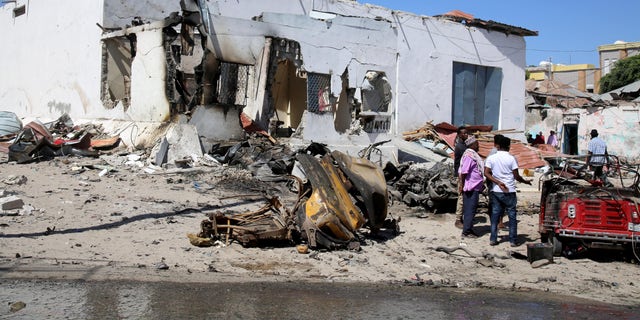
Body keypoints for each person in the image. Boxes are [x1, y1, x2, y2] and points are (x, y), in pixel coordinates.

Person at [484, 136, 532, 247]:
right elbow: (516, 176)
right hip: (509, 190)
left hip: (496, 190)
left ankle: (493, 238)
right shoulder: (512, 158)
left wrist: (497, 182)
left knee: (495, 215)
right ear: (509, 146)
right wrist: (525, 181)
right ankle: (512, 240)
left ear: (498, 146)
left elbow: (486, 173)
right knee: (512, 216)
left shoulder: (492, 158)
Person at [458, 136, 484, 238]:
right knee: (469, 210)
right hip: (470, 187)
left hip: (475, 187)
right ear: (472, 145)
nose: (478, 145)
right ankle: (466, 232)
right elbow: (464, 172)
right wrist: (462, 185)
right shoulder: (469, 156)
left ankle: (469, 228)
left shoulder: (473, 155)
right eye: (477, 144)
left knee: (471, 209)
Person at [487, 134, 507, 230]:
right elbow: (488, 169)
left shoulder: (500, 152)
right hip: (494, 180)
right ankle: (496, 222)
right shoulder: (494, 152)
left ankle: (499, 222)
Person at [453, 126, 469, 229]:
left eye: (466, 133)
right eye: (463, 133)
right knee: (461, 197)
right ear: (459, 135)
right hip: (461, 175)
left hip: (463, 173)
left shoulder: (464, 145)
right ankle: (458, 219)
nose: (466, 135)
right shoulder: (461, 147)